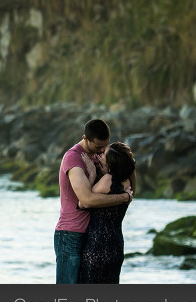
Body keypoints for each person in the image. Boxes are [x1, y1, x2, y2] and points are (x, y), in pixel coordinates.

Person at [54, 119, 133, 284]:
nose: (102, 151)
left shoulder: (102, 156)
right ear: (85, 138)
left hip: (93, 236)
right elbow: (86, 201)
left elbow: (122, 171)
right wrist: (125, 197)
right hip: (71, 233)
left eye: (105, 146)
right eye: (98, 147)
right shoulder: (74, 158)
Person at [78, 142, 136, 283]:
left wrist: (91, 174)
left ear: (110, 164)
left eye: (104, 154)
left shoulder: (107, 180)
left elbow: (83, 203)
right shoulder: (128, 182)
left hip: (98, 244)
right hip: (116, 245)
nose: (101, 154)